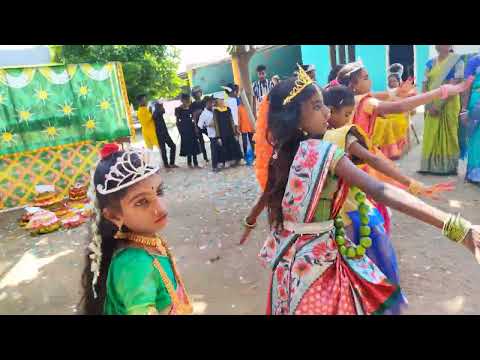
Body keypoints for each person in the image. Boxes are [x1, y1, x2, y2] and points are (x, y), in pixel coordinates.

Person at [253, 67, 480, 315]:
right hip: (319, 269)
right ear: (294, 117)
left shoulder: (279, 156)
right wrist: (457, 228)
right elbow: (381, 191)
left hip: (288, 270)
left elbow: (267, 194)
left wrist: (250, 219)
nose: (327, 112)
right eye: (317, 107)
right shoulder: (323, 153)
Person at [80, 143, 193, 315]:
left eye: (159, 192)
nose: (161, 208)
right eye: (141, 202)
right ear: (113, 216)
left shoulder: (145, 245)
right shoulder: (134, 265)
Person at [420, 45, 465, 175]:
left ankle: (448, 167)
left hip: (449, 103)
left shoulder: (457, 61)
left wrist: (438, 104)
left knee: (449, 133)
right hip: (430, 102)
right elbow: (424, 84)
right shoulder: (429, 63)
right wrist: (427, 103)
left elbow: (455, 83)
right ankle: (429, 166)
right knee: (430, 132)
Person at [461, 52, 480, 185]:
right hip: (476, 103)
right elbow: (466, 87)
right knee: (476, 139)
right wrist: (464, 108)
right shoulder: (474, 61)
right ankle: (475, 174)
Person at [212, 92, 243, 167]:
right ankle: (224, 162)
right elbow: (216, 124)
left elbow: (231, 120)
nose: (222, 101)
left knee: (234, 145)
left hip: (230, 131)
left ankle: (237, 160)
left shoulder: (228, 109)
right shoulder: (216, 111)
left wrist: (235, 132)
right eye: (220, 100)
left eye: (222, 100)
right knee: (223, 147)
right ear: (217, 101)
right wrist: (218, 136)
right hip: (222, 132)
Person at [175, 93, 202, 169]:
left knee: (194, 144)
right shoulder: (178, 109)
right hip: (184, 129)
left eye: (188, 99)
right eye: (186, 99)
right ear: (182, 100)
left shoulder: (191, 108)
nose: (188, 101)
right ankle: (189, 163)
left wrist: (196, 127)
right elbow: (177, 122)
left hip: (191, 128)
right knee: (188, 146)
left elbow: (194, 118)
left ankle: (196, 163)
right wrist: (180, 131)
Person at [198, 96, 222, 172]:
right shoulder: (204, 114)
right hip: (212, 134)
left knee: (219, 149)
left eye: (212, 102)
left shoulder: (214, 110)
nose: (211, 104)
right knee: (214, 151)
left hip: (219, 133)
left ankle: (219, 163)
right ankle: (214, 167)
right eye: (209, 102)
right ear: (206, 103)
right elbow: (200, 125)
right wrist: (208, 125)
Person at [152, 100, 178, 170]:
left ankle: (170, 164)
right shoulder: (156, 113)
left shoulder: (156, 112)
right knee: (164, 149)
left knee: (172, 146)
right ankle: (167, 165)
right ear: (157, 106)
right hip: (160, 134)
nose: (162, 107)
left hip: (164, 133)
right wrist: (161, 107)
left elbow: (163, 111)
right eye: (161, 105)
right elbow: (163, 111)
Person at [191, 86, 209, 164]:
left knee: (213, 138)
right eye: (196, 93)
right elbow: (193, 116)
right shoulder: (193, 105)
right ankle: (205, 158)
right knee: (201, 142)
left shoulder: (204, 102)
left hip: (206, 124)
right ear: (194, 95)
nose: (198, 94)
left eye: (199, 92)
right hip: (198, 125)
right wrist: (195, 127)